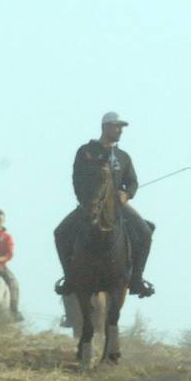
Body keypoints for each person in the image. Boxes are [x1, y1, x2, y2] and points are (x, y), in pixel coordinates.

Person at [55, 112, 154, 298]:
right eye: (116, 127)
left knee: (145, 232)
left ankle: (137, 279)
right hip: (89, 205)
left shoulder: (123, 156)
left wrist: (126, 194)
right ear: (105, 127)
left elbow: (132, 182)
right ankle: (69, 278)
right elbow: (77, 178)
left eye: (121, 128)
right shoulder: (86, 151)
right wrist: (85, 201)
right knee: (60, 232)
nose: (119, 131)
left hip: (118, 206)